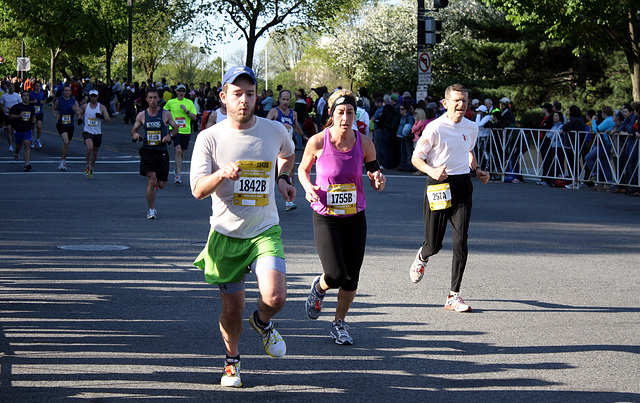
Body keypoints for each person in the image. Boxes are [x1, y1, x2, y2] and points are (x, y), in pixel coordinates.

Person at [189, 66, 296, 388]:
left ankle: (262, 322)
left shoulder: (274, 130)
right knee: (232, 310)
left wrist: (283, 179)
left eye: (250, 94)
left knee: (275, 297)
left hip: (265, 229)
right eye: (237, 94)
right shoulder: (210, 137)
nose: (244, 100)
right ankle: (232, 362)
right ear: (223, 97)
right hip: (226, 234)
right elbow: (197, 189)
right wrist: (221, 174)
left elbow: (288, 155)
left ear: (257, 97)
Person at [298, 89, 385, 345]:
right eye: (340, 112)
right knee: (335, 275)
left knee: (351, 277)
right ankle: (319, 288)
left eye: (350, 112)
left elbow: (376, 179)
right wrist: (308, 188)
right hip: (327, 216)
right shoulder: (317, 141)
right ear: (331, 114)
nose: (345, 117)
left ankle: (339, 323)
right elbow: (303, 170)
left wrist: (378, 181)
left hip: (355, 216)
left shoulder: (364, 142)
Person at [409, 84, 490, 313]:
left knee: (460, 241)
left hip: (462, 185)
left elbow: (468, 150)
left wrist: (477, 169)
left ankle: (453, 296)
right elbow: (416, 158)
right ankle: (423, 256)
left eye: (464, 100)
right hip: (438, 184)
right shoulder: (435, 128)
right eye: (456, 100)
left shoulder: (471, 127)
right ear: (445, 103)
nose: (461, 105)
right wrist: (431, 171)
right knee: (434, 244)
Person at [131, 88, 179, 219]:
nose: (153, 100)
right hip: (147, 151)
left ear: (159, 99)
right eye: (150, 98)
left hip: (161, 151)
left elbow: (175, 128)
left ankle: (153, 188)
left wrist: (169, 135)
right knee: (151, 180)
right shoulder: (141, 115)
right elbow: (134, 129)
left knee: (161, 184)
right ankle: (151, 210)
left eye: (155, 97)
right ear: (146, 99)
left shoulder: (166, 114)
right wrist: (135, 134)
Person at [267, 89, 305, 211]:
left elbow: (297, 128)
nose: (285, 102)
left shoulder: (293, 114)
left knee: (289, 173)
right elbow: (266, 125)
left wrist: (304, 137)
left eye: (287, 99)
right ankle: (268, 199)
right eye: (283, 99)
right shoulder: (274, 111)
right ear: (279, 99)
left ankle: (289, 201)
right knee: (273, 174)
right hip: (275, 146)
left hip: (288, 148)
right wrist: (279, 126)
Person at [164, 84, 197, 184]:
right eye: (179, 91)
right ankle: (178, 174)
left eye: (183, 91)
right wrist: (166, 121)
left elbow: (194, 118)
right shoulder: (171, 102)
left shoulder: (189, 102)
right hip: (174, 129)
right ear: (176, 92)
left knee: (181, 152)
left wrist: (186, 111)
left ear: (185, 93)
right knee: (178, 150)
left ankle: (177, 168)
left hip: (186, 130)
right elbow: (164, 112)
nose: (181, 92)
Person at [78, 89, 111, 179]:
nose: (93, 98)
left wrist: (101, 116)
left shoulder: (101, 107)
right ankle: (87, 164)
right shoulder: (85, 106)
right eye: (91, 96)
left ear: (97, 96)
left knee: (95, 152)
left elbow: (108, 119)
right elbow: (80, 113)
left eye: (95, 96)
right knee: (89, 147)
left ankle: (91, 168)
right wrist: (80, 119)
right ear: (89, 97)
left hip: (97, 133)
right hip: (87, 131)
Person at [52, 86, 81, 171]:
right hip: (61, 124)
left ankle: (63, 160)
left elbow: (79, 112)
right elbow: (53, 109)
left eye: (68, 91)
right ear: (63, 92)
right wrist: (56, 116)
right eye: (65, 90)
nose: (67, 92)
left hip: (70, 126)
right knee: (65, 141)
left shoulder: (74, 102)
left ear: (71, 92)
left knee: (67, 144)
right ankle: (62, 160)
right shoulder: (59, 101)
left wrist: (76, 111)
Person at [8, 90, 36, 171]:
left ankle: (27, 164)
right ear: (22, 97)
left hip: (27, 129)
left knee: (27, 144)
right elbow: (10, 116)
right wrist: (19, 116)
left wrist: (34, 119)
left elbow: (33, 116)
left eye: (27, 95)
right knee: (18, 146)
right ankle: (16, 152)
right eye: (24, 95)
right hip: (18, 129)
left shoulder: (31, 107)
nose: (26, 97)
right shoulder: (17, 107)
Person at [1, 83, 22, 153]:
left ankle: (16, 143)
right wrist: (3, 109)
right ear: (8, 88)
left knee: (14, 130)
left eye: (13, 86)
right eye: (10, 86)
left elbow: (20, 104)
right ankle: (10, 145)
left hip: (15, 115)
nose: (11, 88)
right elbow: (1, 104)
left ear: (14, 88)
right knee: (8, 129)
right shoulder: (4, 96)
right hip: (7, 115)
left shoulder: (17, 96)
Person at [29, 81, 46, 148]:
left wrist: (43, 102)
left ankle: (38, 140)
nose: (37, 87)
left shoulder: (41, 94)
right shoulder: (31, 94)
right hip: (32, 112)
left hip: (39, 112)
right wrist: (32, 102)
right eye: (36, 85)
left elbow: (45, 100)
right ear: (34, 86)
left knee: (39, 126)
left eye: (39, 86)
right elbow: (26, 101)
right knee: (32, 127)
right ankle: (32, 139)